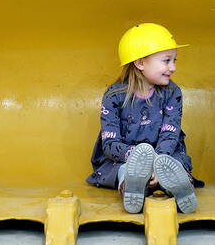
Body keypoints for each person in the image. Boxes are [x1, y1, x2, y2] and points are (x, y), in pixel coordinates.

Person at [86, 23, 201, 214]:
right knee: (123, 170)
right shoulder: (114, 96)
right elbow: (110, 144)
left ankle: (180, 186)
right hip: (125, 158)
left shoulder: (172, 92)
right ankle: (131, 186)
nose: (173, 67)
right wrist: (141, 162)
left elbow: (170, 134)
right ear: (140, 63)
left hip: (165, 156)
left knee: (176, 163)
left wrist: (157, 163)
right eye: (166, 60)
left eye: (174, 60)